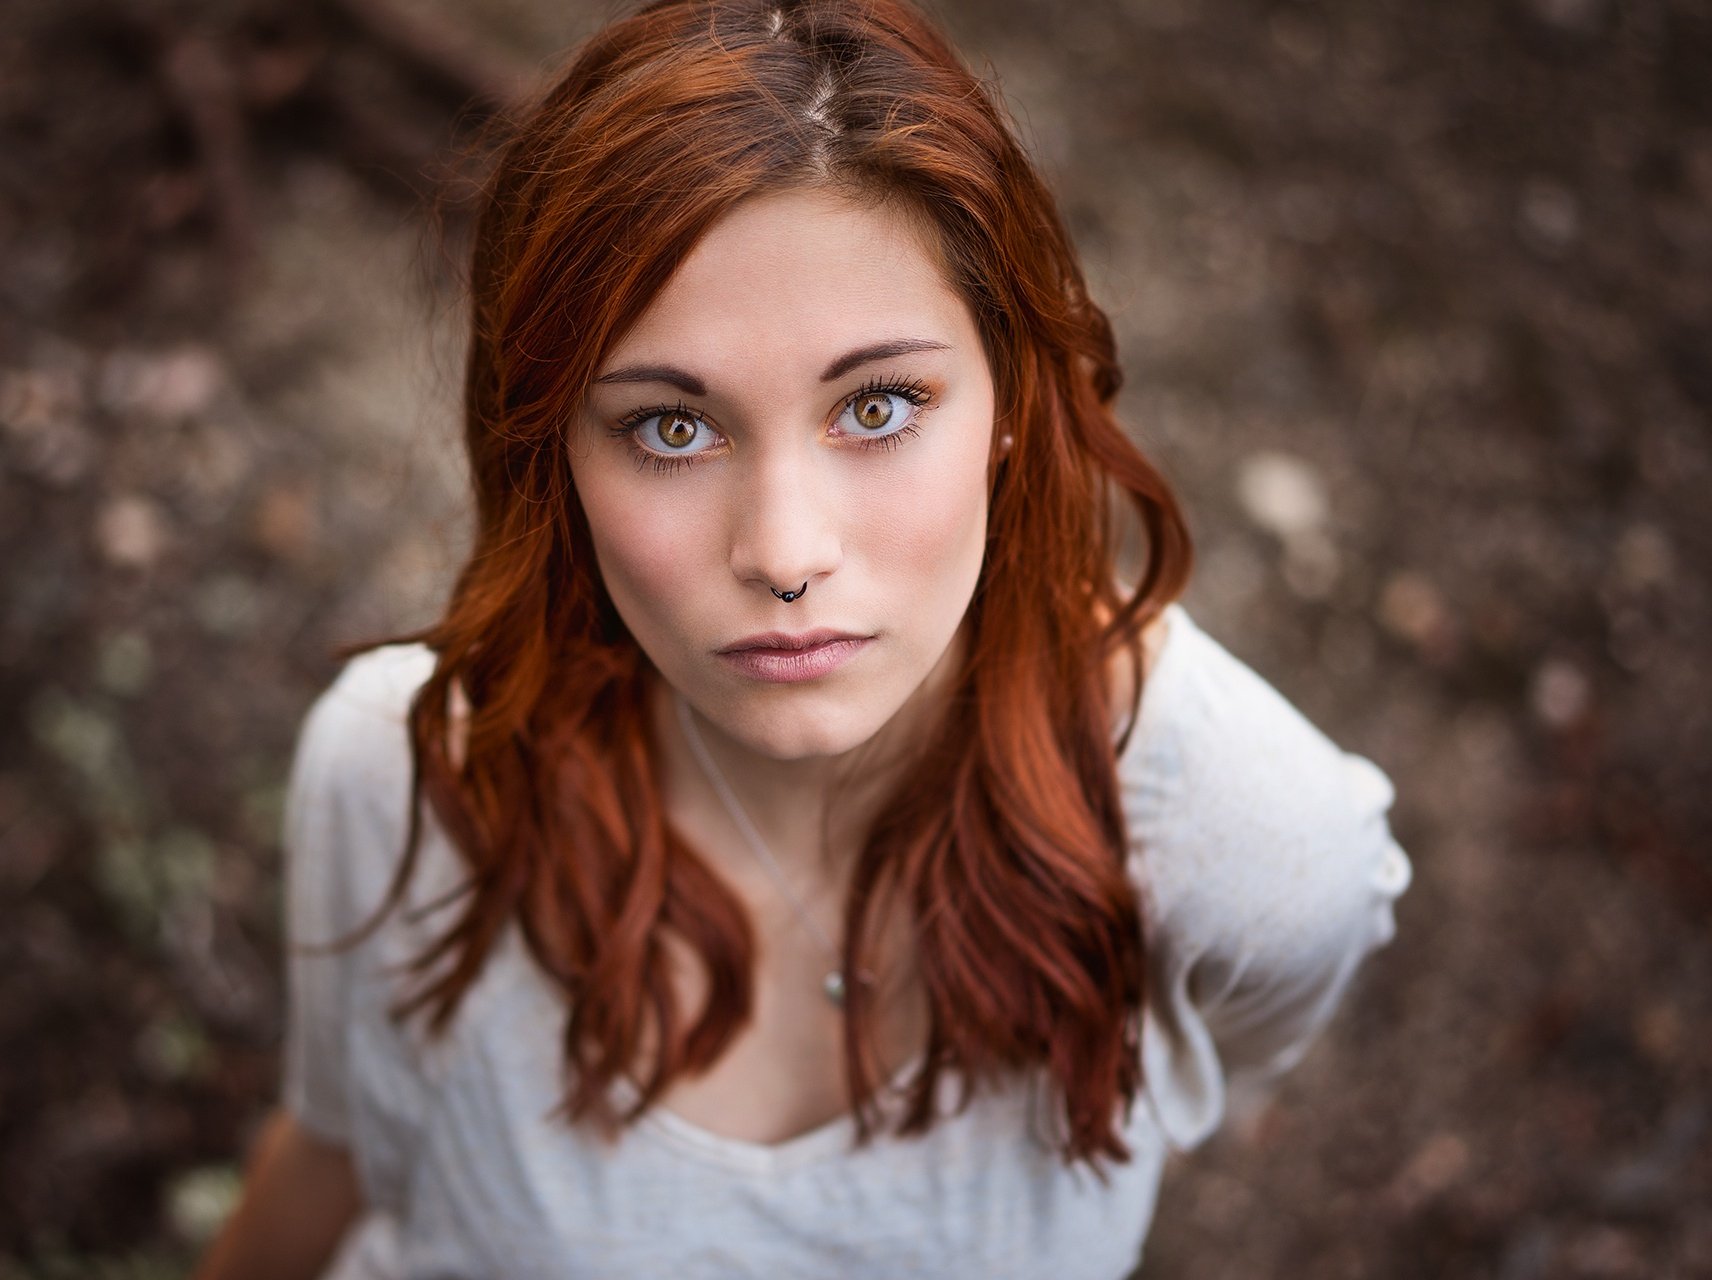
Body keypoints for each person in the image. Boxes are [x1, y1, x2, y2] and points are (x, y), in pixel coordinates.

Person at [194, 1, 1413, 1276]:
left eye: (877, 406)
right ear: (550, 448)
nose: (783, 551)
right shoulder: (407, 770)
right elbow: (330, 1153)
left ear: (1008, 401)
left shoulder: (1255, 851)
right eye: (672, 427)